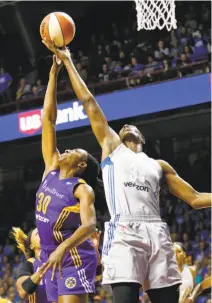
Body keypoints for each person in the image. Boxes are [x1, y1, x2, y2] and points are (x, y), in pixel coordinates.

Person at [42, 40, 212, 303]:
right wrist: (67, 62)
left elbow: (195, 198)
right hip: (123, 230)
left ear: (141, 138)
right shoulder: (112, 148)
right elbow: (88, 102)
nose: (126, 127)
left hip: (156, 231)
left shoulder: (158, 165)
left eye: (131, 127)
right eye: (122, 127)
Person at [35, 54, 103, 303]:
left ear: (81, 164)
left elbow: (89, 225)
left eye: (76, 151)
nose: (68, 149)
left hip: (73, 254)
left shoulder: (81, 189)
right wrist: (53, 74)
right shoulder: (50, 170)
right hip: (48, 254)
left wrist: (63, 247)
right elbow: (49, 120)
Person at [12, 227, 49, 303]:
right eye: (37, 234)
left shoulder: (61, 259)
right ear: (31, 245)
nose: (42, 234)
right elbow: (22, 291)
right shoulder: (28, 264)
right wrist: (46, 266)